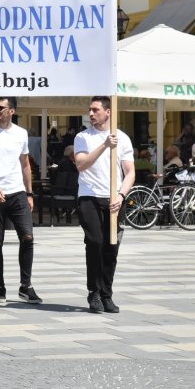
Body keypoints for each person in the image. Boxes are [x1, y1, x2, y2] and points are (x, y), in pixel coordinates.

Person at [74, 96, 135, 314]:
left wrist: (120, 195)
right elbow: (81, 164)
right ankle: (93, 292)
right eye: (89, 109)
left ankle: (106, 294)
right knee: (95, 242)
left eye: (95, 110)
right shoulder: (83, 137)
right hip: (89, 196)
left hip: (114, 200)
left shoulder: (123, 138)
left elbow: (130, 173)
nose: (91, 114)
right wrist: (104, 145)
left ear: (108, 112)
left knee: (111, 247)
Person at [0, 97, 41, 305]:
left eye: (0, 108)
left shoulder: (21, 133)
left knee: (28, 237)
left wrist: (29, 193)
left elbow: (25, 164)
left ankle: (26, 285)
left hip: (18, 193)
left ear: (11, 111)